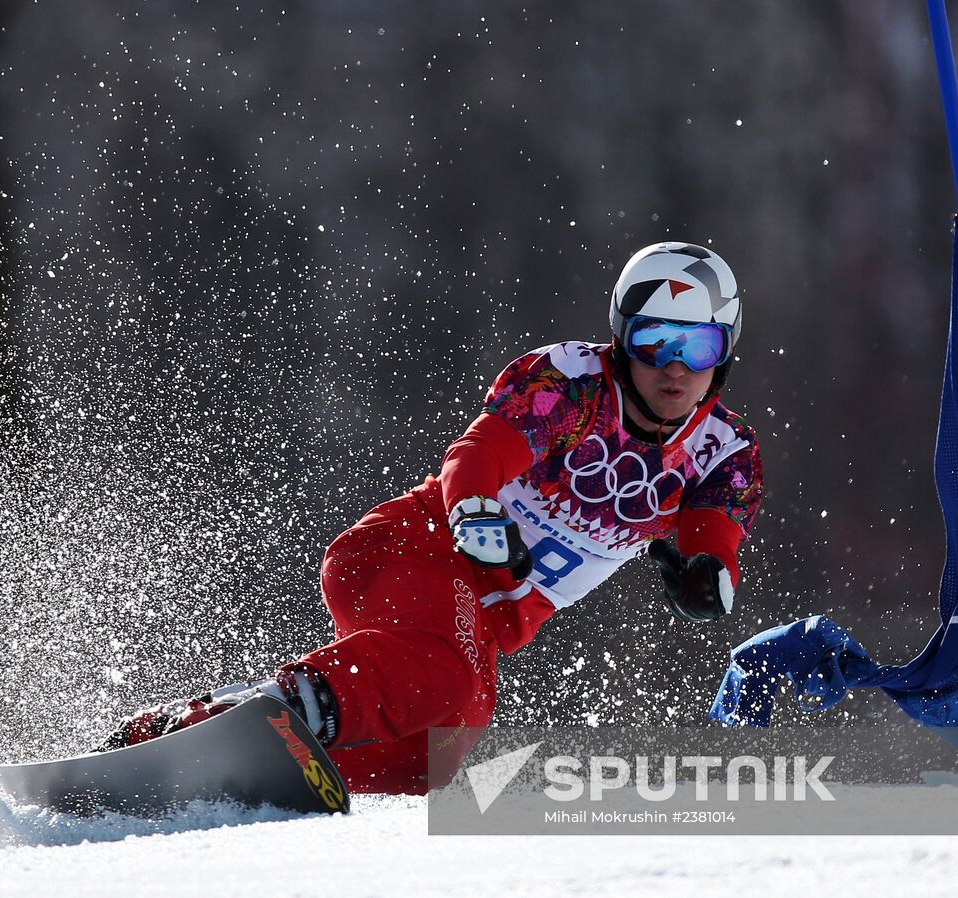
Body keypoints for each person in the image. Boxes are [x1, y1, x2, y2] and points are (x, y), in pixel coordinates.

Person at [100, 242, 764, 794]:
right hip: (410, 551)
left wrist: (707, 576)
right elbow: (480, 451)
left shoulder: (725, 452)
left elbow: (716, 535)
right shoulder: (572, 384)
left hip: (480, 625)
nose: (674, 366)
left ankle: (222, 762)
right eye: (654, 341)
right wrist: (475, 508)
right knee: (442, 670)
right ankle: (269, 712)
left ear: (725, 354)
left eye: (697, 346)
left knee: (433, 759)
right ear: (622, 341)